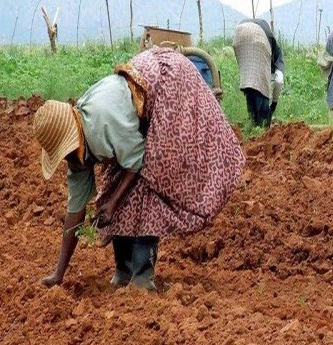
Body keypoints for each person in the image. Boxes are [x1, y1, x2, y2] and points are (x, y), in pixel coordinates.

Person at [32, 47, 245, 290]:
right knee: (115, 189)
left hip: (170, 87)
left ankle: (143, 275)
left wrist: (113, 205)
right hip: (138, 115)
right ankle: (124, 271)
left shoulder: (102, 122)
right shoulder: (78, 155)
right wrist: (58, 273)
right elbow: (75, 212)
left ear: (70, 140)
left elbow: (136, 162)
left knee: (152, 179)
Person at [232, 18, 285, 127]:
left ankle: (252, 123)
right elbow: (279, 81)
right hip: (257, 36)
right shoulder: (278, 56)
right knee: (262, 89)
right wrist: (273, 105)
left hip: (238, 34)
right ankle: (263, 126)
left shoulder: (270, 43)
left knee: (249, 83)